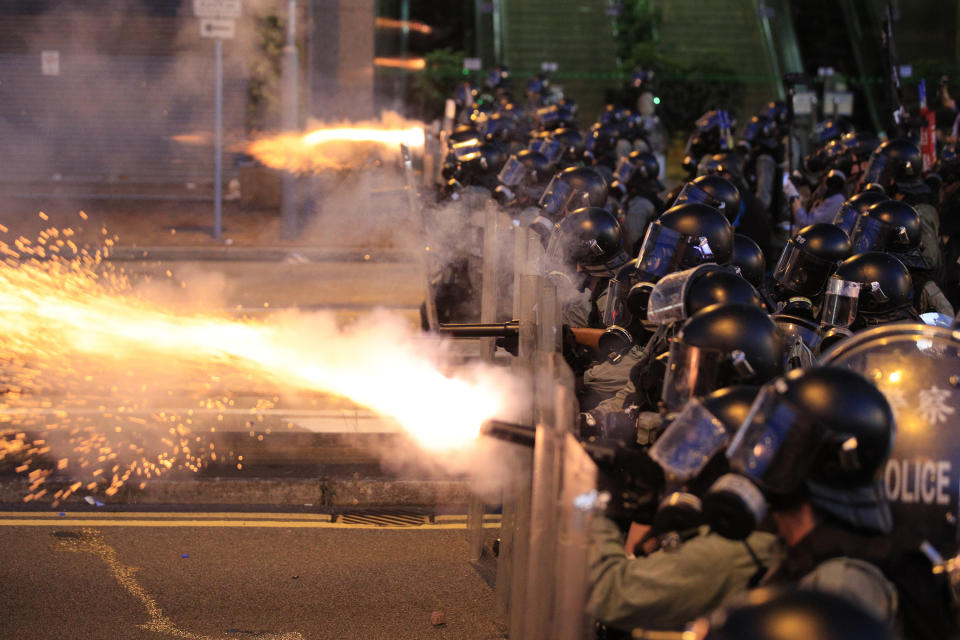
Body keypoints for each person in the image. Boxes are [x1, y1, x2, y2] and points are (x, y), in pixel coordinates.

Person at [703, 366, 958, 638]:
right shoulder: (804, 552)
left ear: (829, 463)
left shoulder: (843, 584)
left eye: (780, 441)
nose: (762, 451)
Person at [587, 387, 781, 632]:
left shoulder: (727, 552)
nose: (684, 470)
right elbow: (636, 564)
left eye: (696, 451)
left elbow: (608, 593)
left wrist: (590, 496)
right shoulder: (743, 530)